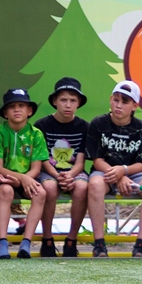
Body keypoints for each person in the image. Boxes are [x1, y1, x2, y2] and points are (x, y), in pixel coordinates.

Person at [86, 80, 142, 258]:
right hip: (105, 172)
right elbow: (97, 160)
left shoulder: (140, 127)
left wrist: (124, 171)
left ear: (135, 106)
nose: (119, 105)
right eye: (116, 100)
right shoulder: (98, 123)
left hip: (133, 173)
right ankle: (99, 245)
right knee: (94, 184)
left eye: (125, 102)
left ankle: (140, 245)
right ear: (111, 99)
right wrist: (118, 176)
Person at [0, 88, 49, 259]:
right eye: (12, 106)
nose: (17, 109)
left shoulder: (36, 134)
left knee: (41, 193)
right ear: (5, 113)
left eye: (22, 105)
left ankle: (26, 242)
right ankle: (3, 242)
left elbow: (36, 168)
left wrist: (23, 180)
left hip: (28, 178)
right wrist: (20, 179)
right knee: (6, 191)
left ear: (29, 111)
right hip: (3, 178)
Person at [35, 77, 91, 258]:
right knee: (49, 188)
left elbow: (81, 161)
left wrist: (71, 175)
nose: (68, 105)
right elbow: (42, 159)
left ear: (79, 103)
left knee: (82, 187)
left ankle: (71, 240)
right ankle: (47, 239)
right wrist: (57, 175)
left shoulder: (84, 127)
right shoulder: (41, 125)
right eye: (63, 100)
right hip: (49, 172)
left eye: (73, 100)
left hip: (74, 172)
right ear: (54, 101)